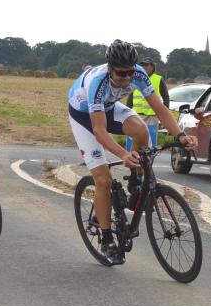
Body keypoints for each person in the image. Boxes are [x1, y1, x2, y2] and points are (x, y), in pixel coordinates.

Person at [68, 39, 198, 265]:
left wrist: (180, 135)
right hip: (84, 116)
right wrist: (123, 154)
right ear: (110, 69)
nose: (127, 78)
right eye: (121, 73)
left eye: (130, 72)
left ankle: (135, 181)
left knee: (141, 131)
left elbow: (159, 109)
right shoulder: (97, 83)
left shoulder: (138, 73)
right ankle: (107, 240)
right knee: (103, 180)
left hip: (109, 107)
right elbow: (99, 130)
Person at [125, 56, 170, 150]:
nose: (144, 67)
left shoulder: (158, 79)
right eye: (142, 65)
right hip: (136, 114)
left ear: (152, 67)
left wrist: (164, 113)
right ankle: (130, 155)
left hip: (151, 116)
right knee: (132, 136)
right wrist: (126, 110)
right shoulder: (135, 78)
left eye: (146, 65)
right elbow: (131, 95)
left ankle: (149, 157)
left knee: (151, 139)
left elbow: (165, 97)